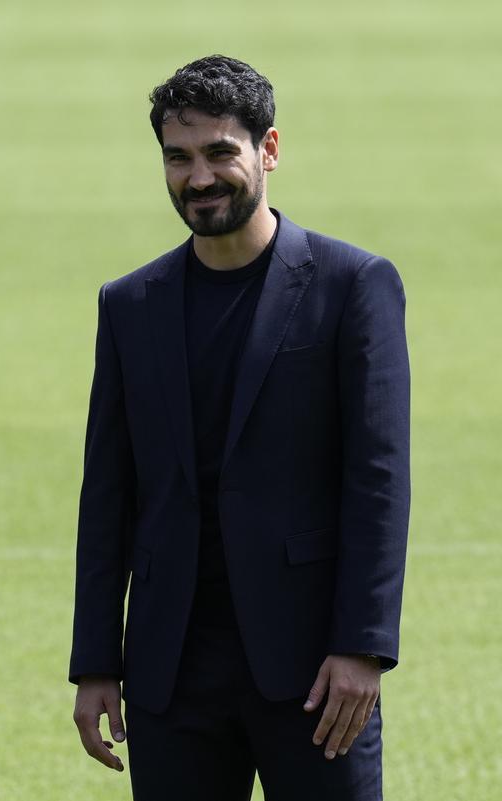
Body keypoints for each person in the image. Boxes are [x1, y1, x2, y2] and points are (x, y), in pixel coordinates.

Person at [69, 56, 409, 800]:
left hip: (315, 671)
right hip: (170, 672)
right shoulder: (129, 305)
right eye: (179, 158)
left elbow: (378, 479)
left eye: (221, 152)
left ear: (269, 150)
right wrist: (97, 661)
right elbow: (109, 493)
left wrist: (362, 646)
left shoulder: (353, 287)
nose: (199, 178)